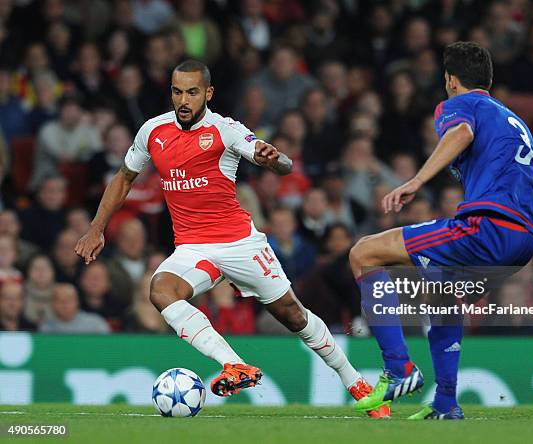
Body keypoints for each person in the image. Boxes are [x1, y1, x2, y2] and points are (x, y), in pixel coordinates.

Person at [75, 60, 388, 418]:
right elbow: (124, 178)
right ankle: (234, 365)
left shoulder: (226, 130)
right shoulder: (152, 132)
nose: (183, 100)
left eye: (192, 92)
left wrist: (274, 160)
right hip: (193, 248)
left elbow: (280, 162)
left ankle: (354, 381)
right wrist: (96, 227)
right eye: (177, 91)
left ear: (207, 93)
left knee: (293, 315)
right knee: (160, 289)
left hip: (239, 243)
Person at [349, 42, 533, 420]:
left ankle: (398, 368)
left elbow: (461, 133)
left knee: (363, 253)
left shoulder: (460, 105)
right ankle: (446, 404)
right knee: (439, 296)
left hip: (488, 227)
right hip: (526, 237)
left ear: (450, 80)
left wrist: (416, 180)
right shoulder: (511, 119)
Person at [39, 283, 110, 334]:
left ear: (77, 302)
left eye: (69, 299)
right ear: (53, 304)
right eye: (60, 300)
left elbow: (107, 348)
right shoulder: (46, 328)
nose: (65, 304)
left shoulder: (96, 324)